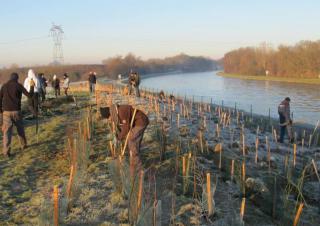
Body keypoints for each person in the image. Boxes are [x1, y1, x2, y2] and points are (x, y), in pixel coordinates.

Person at [102, 104, 149, 174]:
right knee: (134, 145)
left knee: (131, 141)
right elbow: (121, 127)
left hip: (140, 122)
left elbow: (126, 128)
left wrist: (118, 138)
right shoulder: (116, 111)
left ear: (110, 113)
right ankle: (134, 164)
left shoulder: (121, 111)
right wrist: (117, 135)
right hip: (137, 123)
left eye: (109, 117)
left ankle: (139, 170)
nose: (109, 119)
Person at [0, 73, 31, 158]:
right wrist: (32, 87)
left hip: (6, 112)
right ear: (17, 78)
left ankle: (6, 152)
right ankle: (23, 145)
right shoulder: (18, 85)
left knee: (7, 132)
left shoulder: (4, 86)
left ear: (10, 78)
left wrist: (1, 111)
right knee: (20, 129)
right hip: (17, 111)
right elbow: (29, 95)